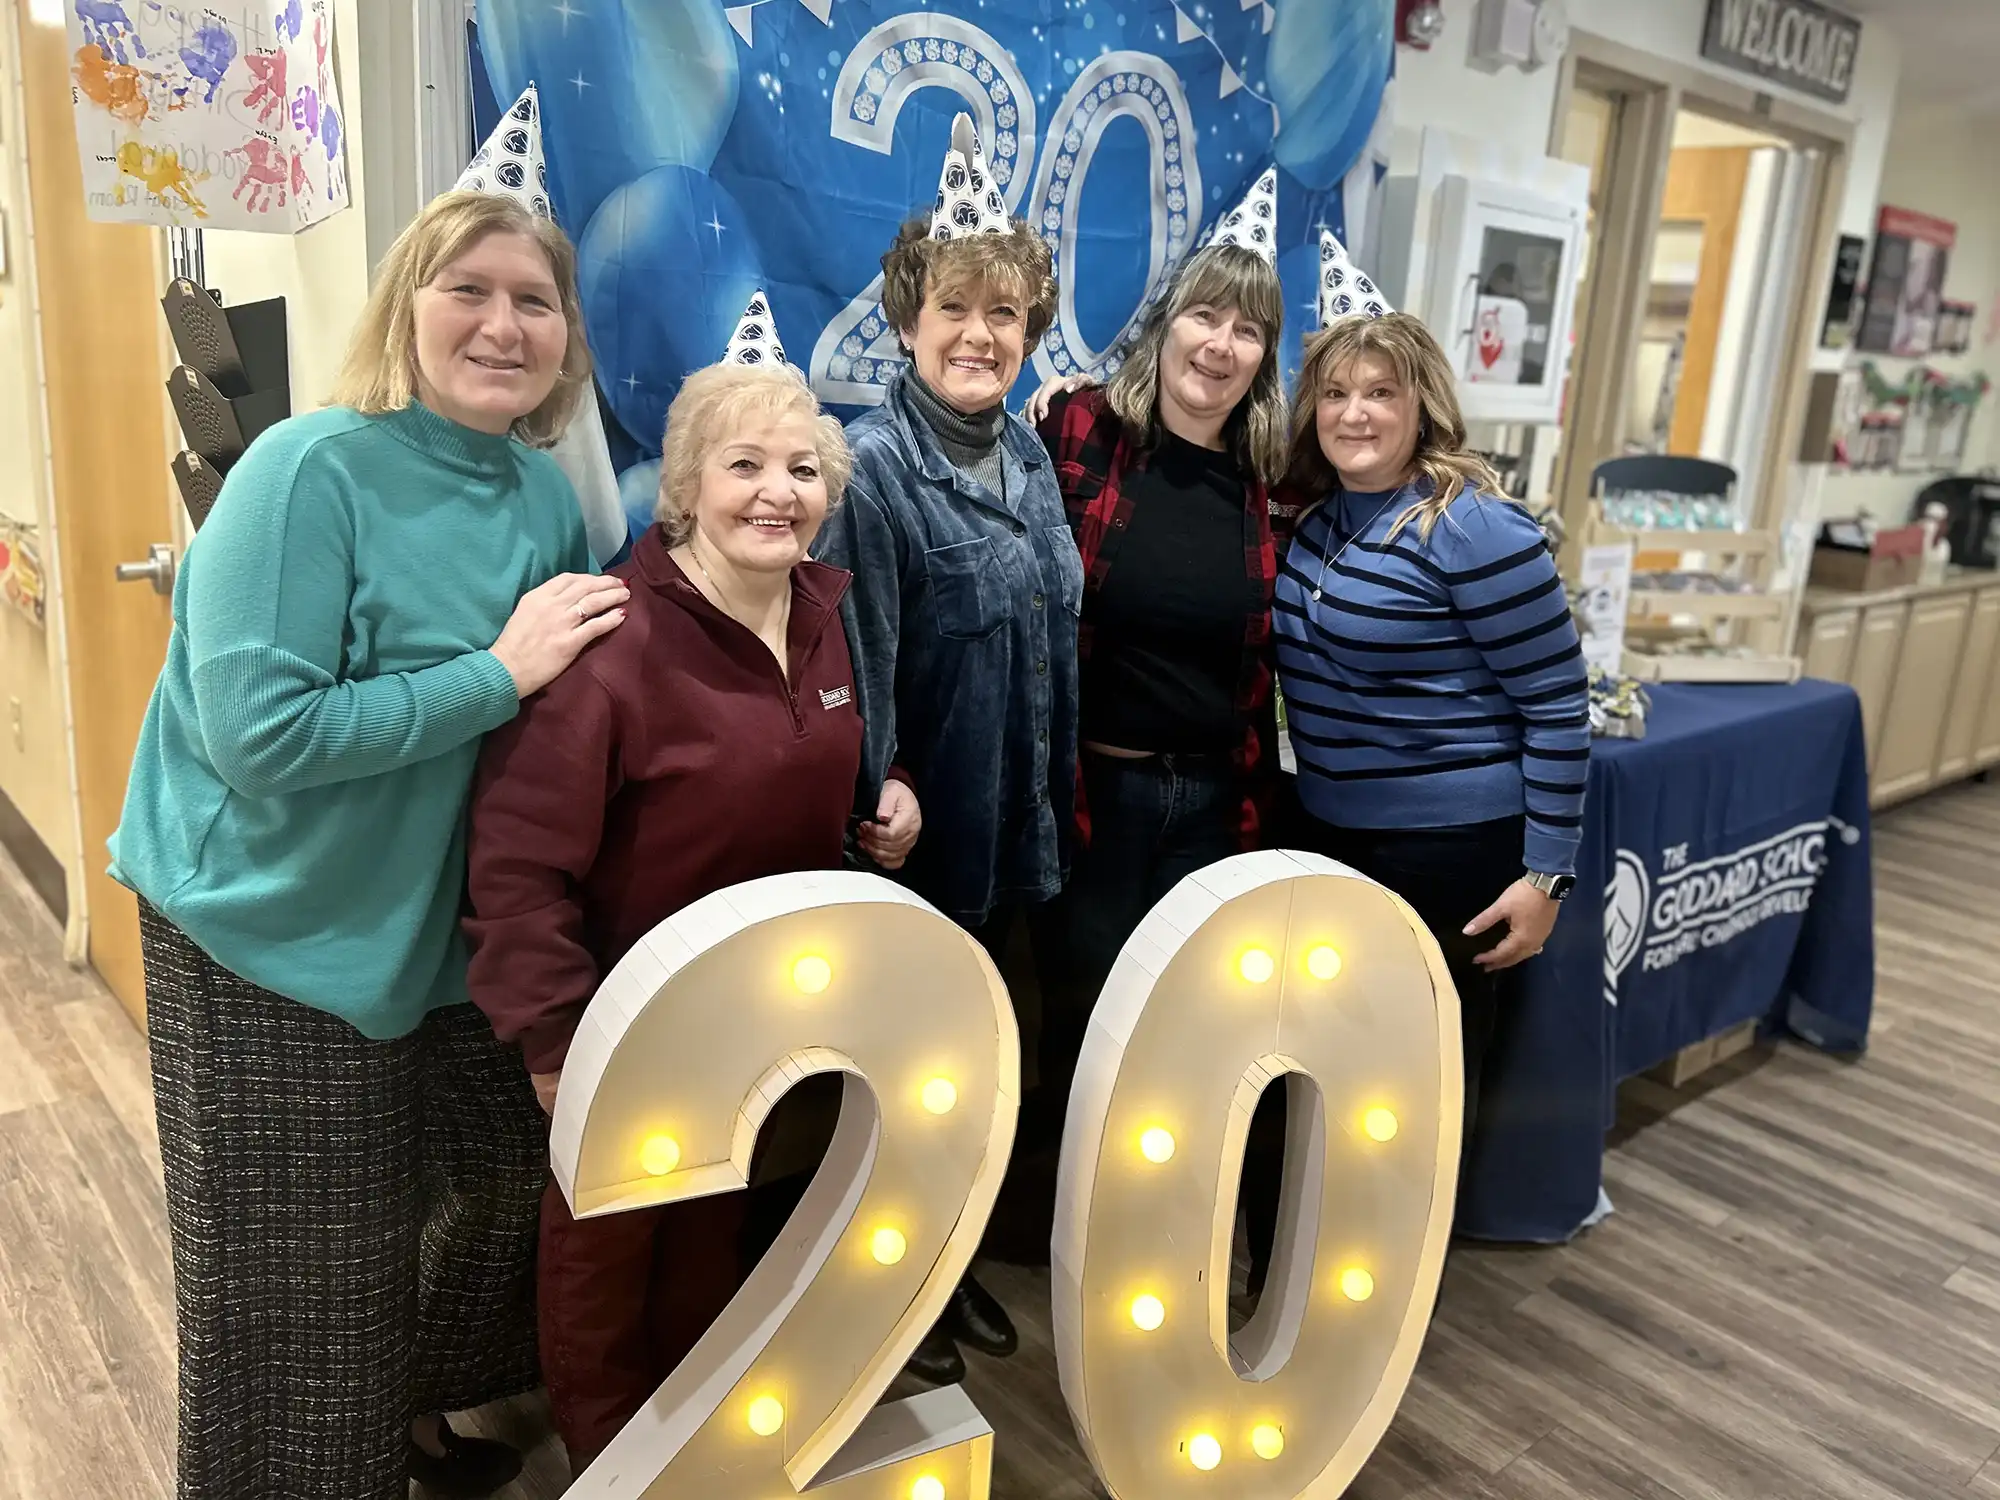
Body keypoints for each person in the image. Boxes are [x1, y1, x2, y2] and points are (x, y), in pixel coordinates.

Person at [108, 189, 628, 1500]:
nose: (503, 324)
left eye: (535, 300)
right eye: (471, 289)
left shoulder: (535, 503)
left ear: (567, 337)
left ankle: (394, 1415)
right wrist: (496, 674)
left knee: (508, 1187)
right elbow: (260, 736)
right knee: (298, 1300)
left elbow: (542, 742)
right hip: (266, 931)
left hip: (427, 933)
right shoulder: (308, 470)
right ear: (407, 305)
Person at [463, 307, 889, 1470]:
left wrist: (874, 811)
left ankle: (690, 1461)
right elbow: (516, 861)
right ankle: (609, 1471)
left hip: (762, 1023)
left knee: (712, 1246)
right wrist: (554, 1043)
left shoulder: (822, 618)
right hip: (622, 1027)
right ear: (684, 485)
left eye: (802, 469)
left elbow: (791, 778)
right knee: (606, 1263)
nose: (776, 493)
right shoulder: (610, 642)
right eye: (743, 465)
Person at [813, 114, 1078, 1384]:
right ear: (909, 319)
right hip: (926, 849)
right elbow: (853, 669)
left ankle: (953, 1264)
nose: (981, 334)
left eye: (1006, 314)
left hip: (1021, 833)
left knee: (982, 1081)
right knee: (907, 1089)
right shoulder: (869, 472)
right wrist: (886, 791)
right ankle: (893, 1300)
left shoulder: (1030, 455)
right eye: (957, 308)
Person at [1272, 307, 1590, 1166]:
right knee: (1330, 1077)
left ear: (1423, 407)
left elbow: (1559, 706)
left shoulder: (1473, 527)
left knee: (1421, 1089)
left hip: (1451, 853)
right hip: (1330, 838)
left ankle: (1400, 1291)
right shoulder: (1320, 517)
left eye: (1381, 392)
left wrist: (1547, 873)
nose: (1355, 412)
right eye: (1335, 393)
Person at [1020, 167, 1292, 1169]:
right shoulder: (1078, 432)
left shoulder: (1271, 479)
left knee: (1190, 1027)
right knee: (1080, 1015)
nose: (1218, 345)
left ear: (1262, 358)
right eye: (1204, 317)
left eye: (1246, 330)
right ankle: (1058, 1233)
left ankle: (1158, 1222)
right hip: (1096, 795)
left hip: (1220, 803)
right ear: (1166, 323)